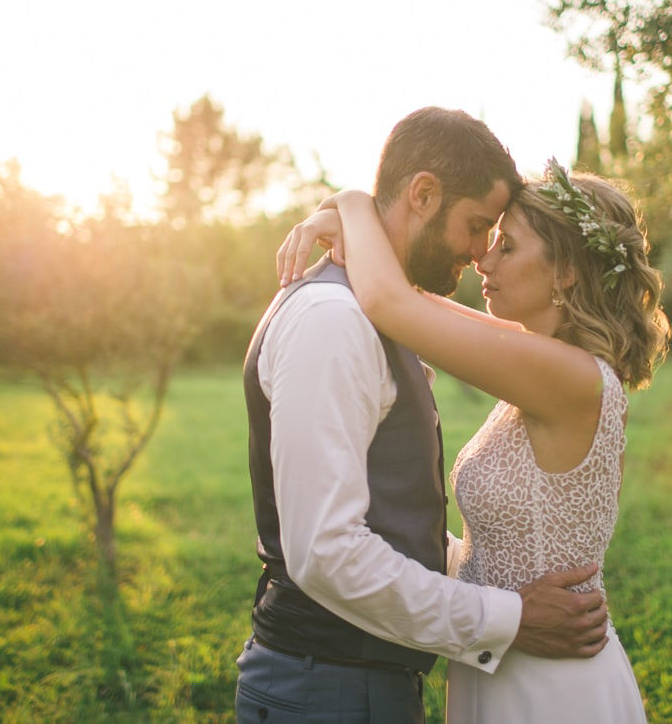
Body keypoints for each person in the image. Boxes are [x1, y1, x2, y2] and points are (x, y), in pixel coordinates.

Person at [237, 108, 613, 724]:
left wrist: (350, 208)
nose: (479, 253)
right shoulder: (335, 321)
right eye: (477, 226)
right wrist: (507, 616)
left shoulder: (379, 311)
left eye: (500, 239)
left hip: (363, 683)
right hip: (326, 688)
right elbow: (326, 552)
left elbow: (386, 517)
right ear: (423, 194)